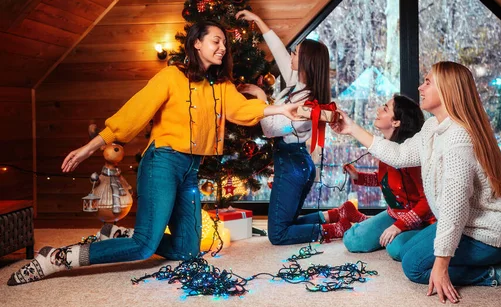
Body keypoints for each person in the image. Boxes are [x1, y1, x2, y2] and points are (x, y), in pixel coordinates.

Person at [8, 21, 301, 286]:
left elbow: (241, 109)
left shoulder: (221, 86)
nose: (223, 47)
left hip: (189, 170)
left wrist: (278, 108)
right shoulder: (171, 77)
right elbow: (133, 114)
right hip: (162, 162)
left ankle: (118, 235)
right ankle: (58, 257)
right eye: (216, 41)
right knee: (145, 246)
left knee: (188, 250)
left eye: (225, 43)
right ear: (197, 43)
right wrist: (90, 147)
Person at [331, 61, 501, 304]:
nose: (420, 87)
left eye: (427, 82)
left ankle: (500, 271)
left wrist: (442, 265)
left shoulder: (459, 138)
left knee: (415, 268)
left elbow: (454, 209)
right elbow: (400, 155)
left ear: (447, 89)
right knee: (406, 252)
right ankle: (490, 262)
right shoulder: (433, 127)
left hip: (497, 229)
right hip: (470, 222)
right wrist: (351, 128)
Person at [236, 10, 352, 244]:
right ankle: (334, 215)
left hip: (293, 168)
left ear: (306, 62)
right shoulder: (295, 86)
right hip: (294, 164)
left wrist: (260, 95)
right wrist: (258, 21)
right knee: (285, 224)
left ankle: (333, 229)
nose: (291, 53)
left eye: (296, 52)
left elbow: (270, 129)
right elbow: (279, 52)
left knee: (278, 235)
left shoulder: (308, 105)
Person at [342, 95, 436, 253]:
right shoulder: (387, 150)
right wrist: (359, 177)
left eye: (385, 108)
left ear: (396, 122)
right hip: (394, 214)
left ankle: (422, 236)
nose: (378, 110)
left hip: (422, 220)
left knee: (396, 248)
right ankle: (364, 222)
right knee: (353, 240)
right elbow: (387, 181)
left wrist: (399, 227)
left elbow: (427, 202)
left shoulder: (412, 157)